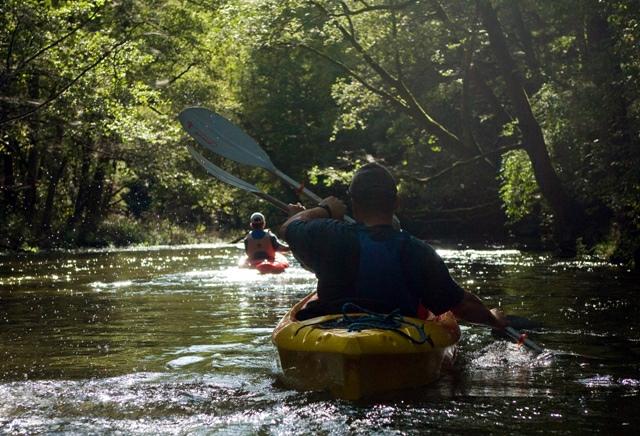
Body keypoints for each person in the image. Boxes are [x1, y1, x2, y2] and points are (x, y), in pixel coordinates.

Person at [281, 162, 506, 329]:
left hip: (331, 329)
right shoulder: (418, 251)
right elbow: (462, 306)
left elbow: (288, 227)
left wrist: (324, 210)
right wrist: (493, 318)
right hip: (396, 332)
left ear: (354, 204)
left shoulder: (328, 233)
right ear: (396, 203)